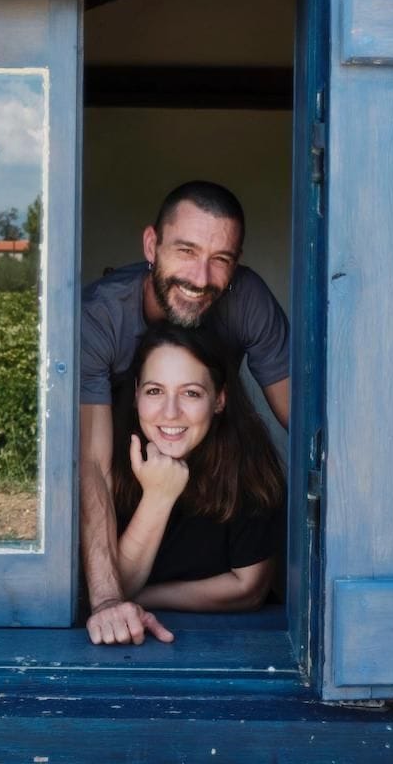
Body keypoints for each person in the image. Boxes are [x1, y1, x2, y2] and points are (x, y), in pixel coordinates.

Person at [81, 180, 290, 645]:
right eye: (187, 250)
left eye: (221, 260)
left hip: (213, 479)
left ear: (220, 397)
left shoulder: (244, 470)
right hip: (127, 483)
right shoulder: (100, 318)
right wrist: (106, 602)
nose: (201, 277)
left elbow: (308, 423)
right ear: (152, 245)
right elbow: (91, 465)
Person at [108, 323, 285, 625]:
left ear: (219, 399)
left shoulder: (248, 464)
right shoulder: (109, 459)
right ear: (136, 394)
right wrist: (158, 496)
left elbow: (248, 588)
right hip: (129, 643)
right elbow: (111, 588)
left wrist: (141, 598)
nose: (170, 411)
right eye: (154, 391)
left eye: (191, 393)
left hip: (231, 641)